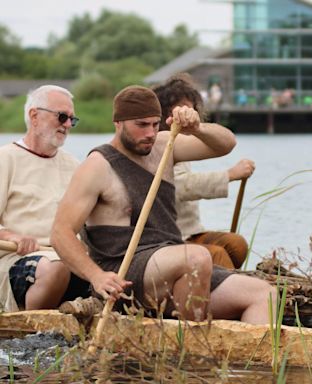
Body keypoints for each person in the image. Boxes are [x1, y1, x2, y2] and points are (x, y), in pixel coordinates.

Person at [51, 85, 276, 324]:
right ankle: (190, 348)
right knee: (196, 257)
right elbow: (60, 233)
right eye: (141, 125)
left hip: (173, 265)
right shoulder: (96, 166)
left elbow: (226, 144)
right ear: (118, 123)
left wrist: (197, 128)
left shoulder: (164, 145)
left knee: (265, 294)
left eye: (155, 124)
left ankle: (250, 359)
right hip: (125, 275)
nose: (149, 133)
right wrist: (96, 276)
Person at [0, 85, 88, 312]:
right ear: (34, 116)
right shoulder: (5, 158)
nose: (68, 125)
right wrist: (12, 235)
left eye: (72, 119)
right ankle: (32, 331)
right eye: (61, 117)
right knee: (56, 268)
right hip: (18, 259)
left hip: (68, 258)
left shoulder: (75, 166)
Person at [153, 74, 254, 270]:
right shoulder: (157, 142)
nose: (188, 114)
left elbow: (227, 142)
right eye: (181, 109)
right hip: (166, 239)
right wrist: (230, 175)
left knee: (236, 245)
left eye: (191, 109)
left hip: (189, 232)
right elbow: (180, 186)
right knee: (217, 255)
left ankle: (221, 286)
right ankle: (231, 293)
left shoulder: (184, 141)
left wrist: (198, 129)